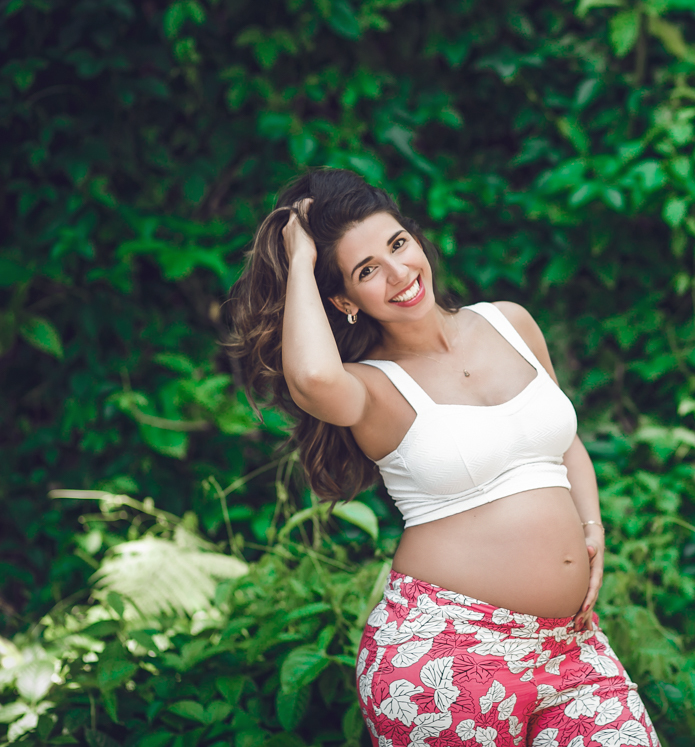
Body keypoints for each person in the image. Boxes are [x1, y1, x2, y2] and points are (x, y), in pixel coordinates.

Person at [226, 169, 659, 747]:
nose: (399, 273)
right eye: (367, 271)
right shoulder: (371, 387)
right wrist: (300, 260)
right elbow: (311, 376)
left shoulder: (510, 321)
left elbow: (563, 443)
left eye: (398, 244)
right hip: (444, 655)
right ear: (343, 300)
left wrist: (592, 526)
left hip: (570, 646)